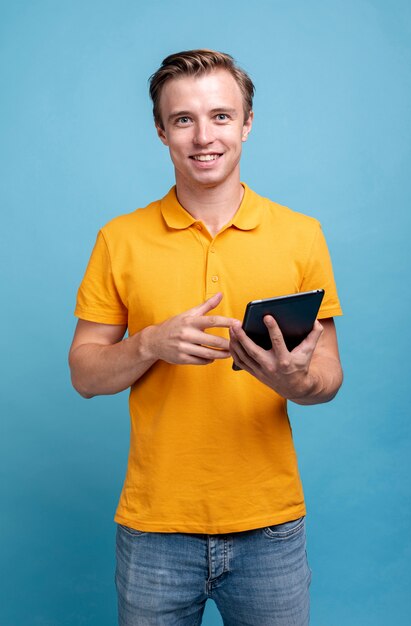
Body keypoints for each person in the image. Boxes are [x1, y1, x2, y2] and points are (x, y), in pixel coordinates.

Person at [69, 49, 343, 626]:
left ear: (246, 123)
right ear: (161, 131)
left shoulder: (302, 236)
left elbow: (329, 378)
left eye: (221, 116)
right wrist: (148, 345)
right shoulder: (120, 239)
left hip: (270, 526)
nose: (203, 136)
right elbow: (84, 375)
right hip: (154, 530)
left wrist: (294, 378)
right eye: (183, 119)